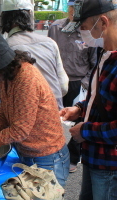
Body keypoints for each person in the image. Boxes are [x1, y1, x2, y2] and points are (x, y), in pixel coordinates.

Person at [0, 31, 69, 187]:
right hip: (29, 154)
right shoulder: (6, 76)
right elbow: (4, 117)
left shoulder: (26, 79)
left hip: (47, 158)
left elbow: (20, 131)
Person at [60, 0, 117, 199]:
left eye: (83, 28)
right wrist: (79, 109)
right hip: (95, 157)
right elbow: (101, 98)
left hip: (110, 164)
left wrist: (84, 130)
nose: (82, 35)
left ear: (103, 23)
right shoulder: (105, 54)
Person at [48, 0, 97, 173]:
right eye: (70, 7)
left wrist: (85, 85)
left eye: (76, 8)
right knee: (52, 120)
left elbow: (94, 63)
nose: (72, 11)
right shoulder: (55, 27)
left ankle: (73, 157)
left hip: (78, 81)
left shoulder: (89, 30)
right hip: (56, 82)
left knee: (80, 123)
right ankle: (52, 157)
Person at [0, 0, 68, 110]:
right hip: (54, 108)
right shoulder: (50, 43)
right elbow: (63, 85)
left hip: (22, 110)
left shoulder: (5, 47)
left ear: (4, 19)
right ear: (30, 16)